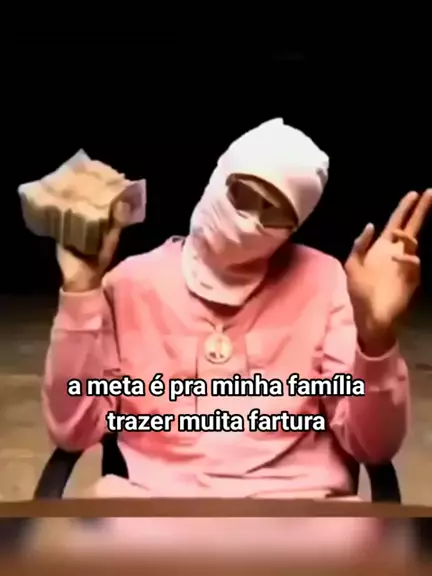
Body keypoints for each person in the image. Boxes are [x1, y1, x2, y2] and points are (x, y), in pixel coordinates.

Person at [43, 118, 432, 499]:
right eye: (243, 194)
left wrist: (376, 338)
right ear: (218, 180)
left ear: (294, 226)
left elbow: (373, 447)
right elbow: (73, 432)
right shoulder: (131, 284)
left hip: (296, 509)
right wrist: (80, 293)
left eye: (274, 213)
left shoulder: (325, 282)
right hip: (158, 506)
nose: (250, 223)